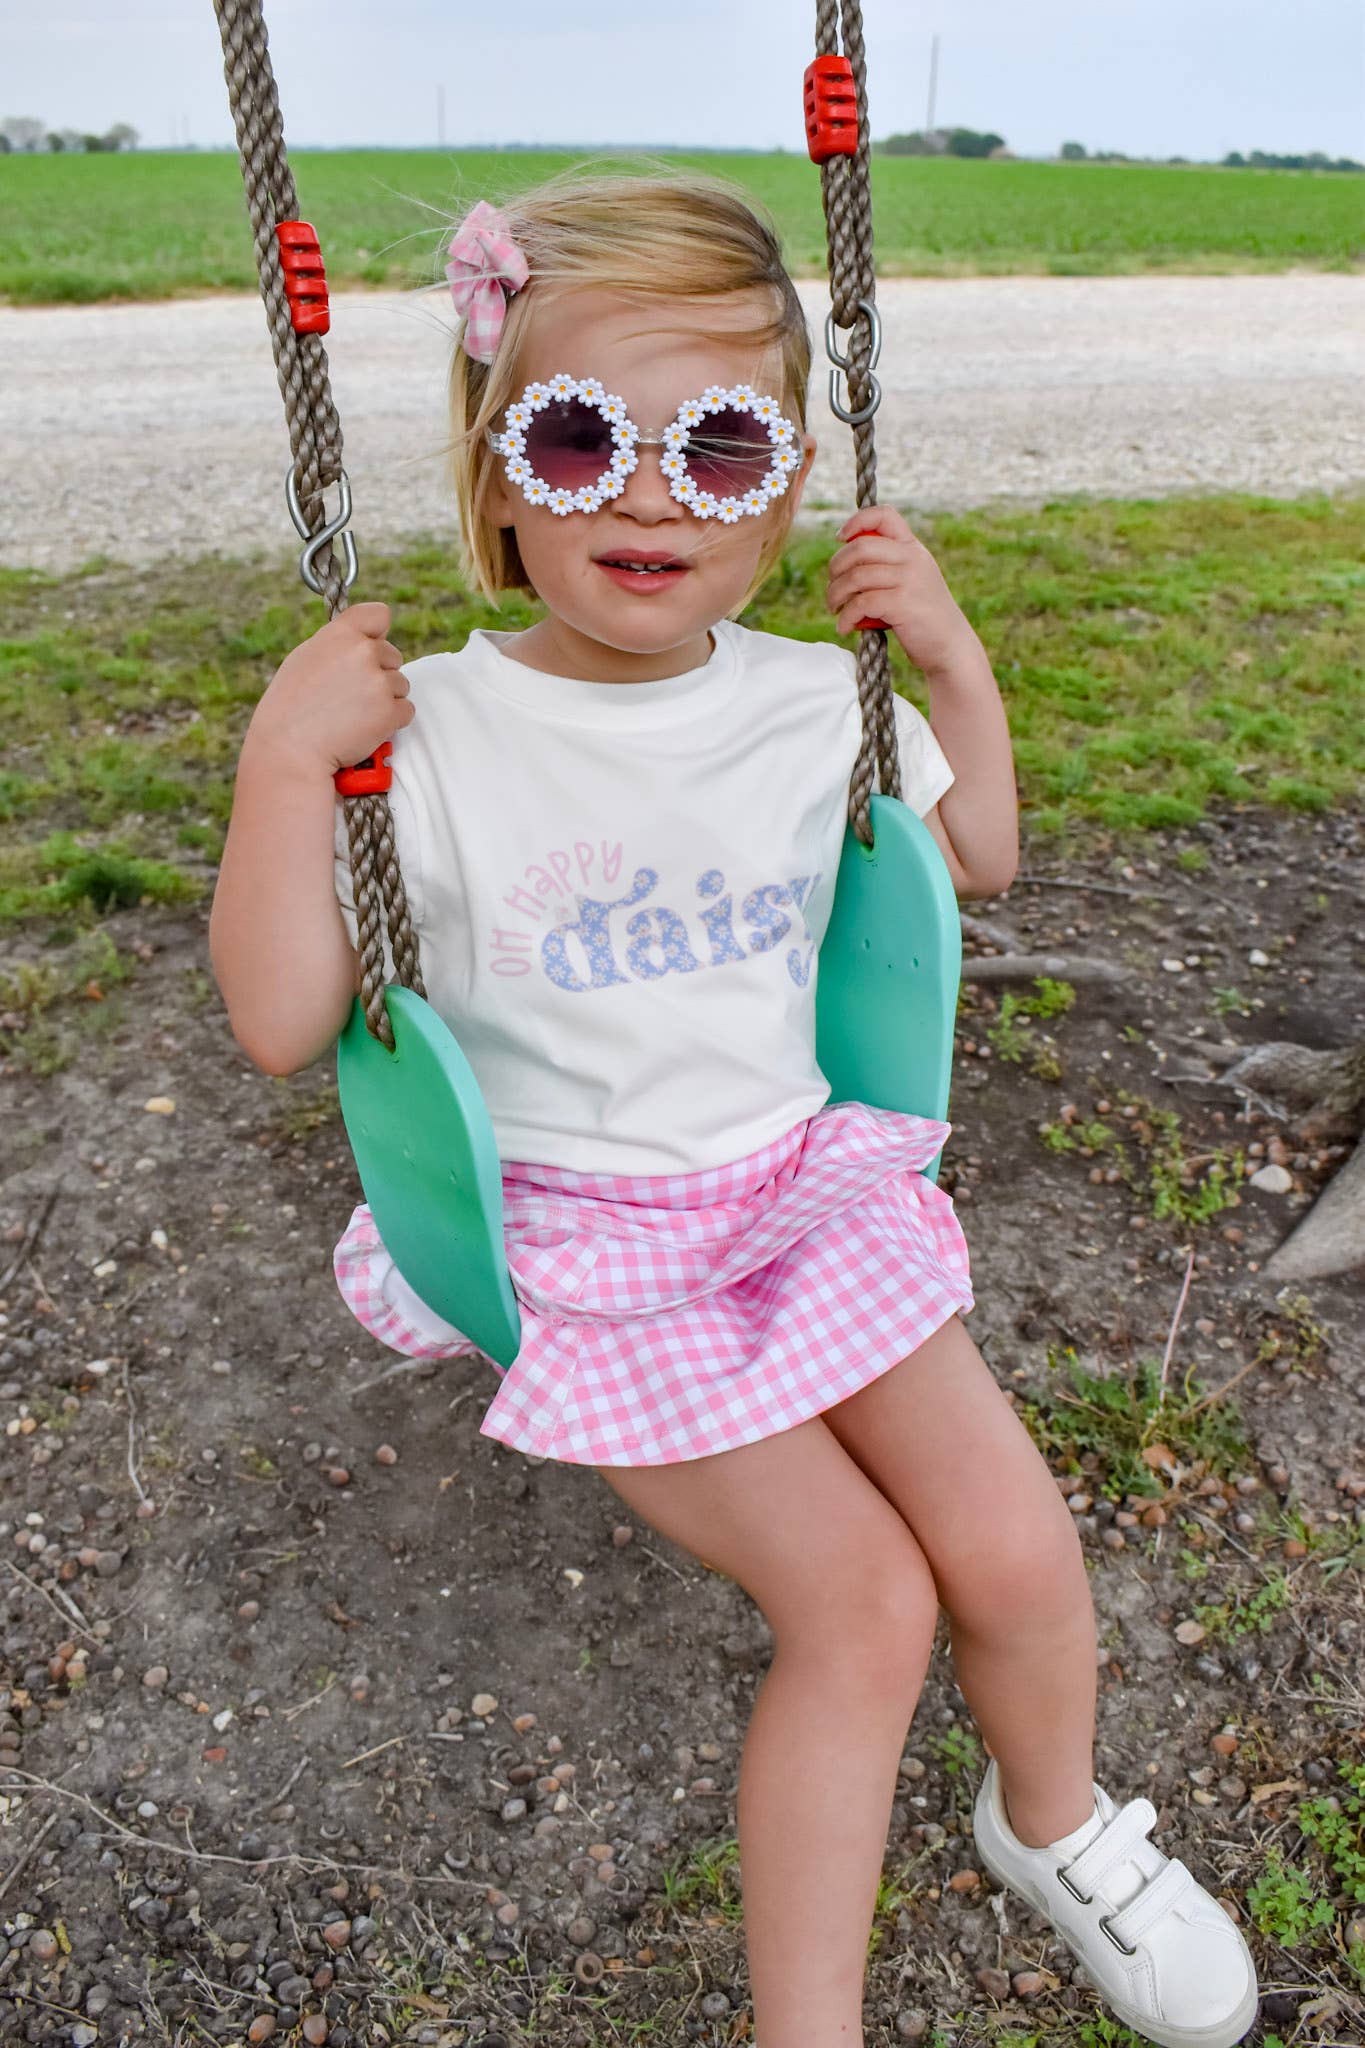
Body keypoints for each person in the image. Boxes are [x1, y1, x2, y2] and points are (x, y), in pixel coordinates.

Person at [209, 167, 1258, 2048]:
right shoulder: (424, 738)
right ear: (494, 457)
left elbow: (982, 865)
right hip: (597, 1259)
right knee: (863, 1605)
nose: (638, 493)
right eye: (576, 432)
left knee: (1014, 1547)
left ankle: (1056, 1825)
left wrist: (950, 661)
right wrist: (286, 764)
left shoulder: (807, 703)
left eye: (714, 444)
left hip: (797, 1199)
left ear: (782, 483)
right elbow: (286, 1021)